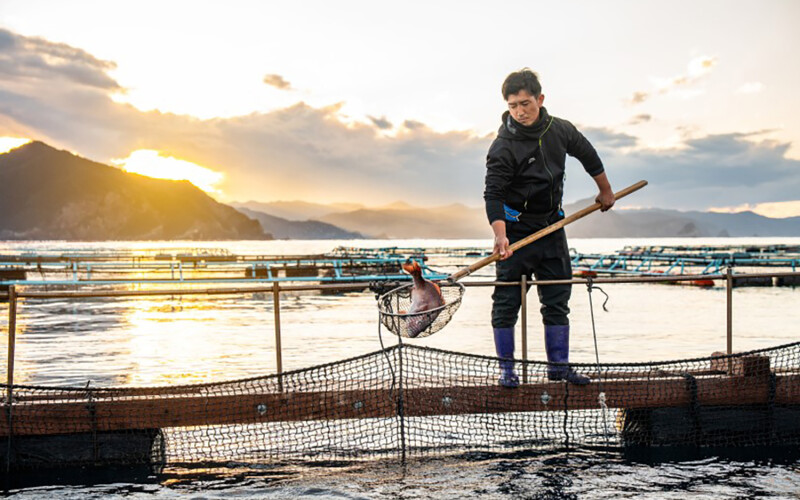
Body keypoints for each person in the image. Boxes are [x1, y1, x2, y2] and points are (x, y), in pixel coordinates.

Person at [483, 68, 615, 387]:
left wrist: (606, 190)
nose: (520, 111)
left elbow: (588, 155)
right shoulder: (502, 147)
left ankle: (558, 367)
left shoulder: (561, 130)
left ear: (540, 99)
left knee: (557, 298)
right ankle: (507, 371)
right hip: (516, 232)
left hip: (552, 226)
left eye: (526, 103)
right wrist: (500, 236)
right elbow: (493, 194)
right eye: (513, 105)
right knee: (506, 301)